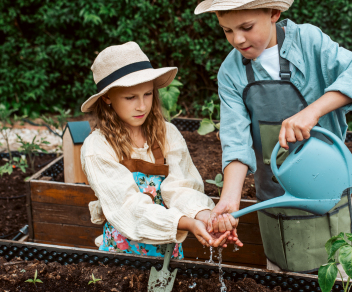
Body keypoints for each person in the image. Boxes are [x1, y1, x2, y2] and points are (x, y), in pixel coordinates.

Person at [195, 0, 352, 272]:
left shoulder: (309, 43)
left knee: (334, 278)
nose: (237, 39)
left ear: (274, 14)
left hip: (326, 189)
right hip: (273, 196)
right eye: (227, 30)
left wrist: (312, 112)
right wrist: (229, 198)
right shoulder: (230, 72)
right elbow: (236, 141)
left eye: (246, 27)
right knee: (281, 280)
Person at [80, 42, 237, 259]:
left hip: (168, 252)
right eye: (130, 97)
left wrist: (205, 216)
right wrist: (186, 223)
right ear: (107, 97)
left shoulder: (166, 134)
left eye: (147, 94)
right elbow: (128, 208)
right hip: (121, 256)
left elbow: (181, 188)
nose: (142, 106)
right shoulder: (98, 147)